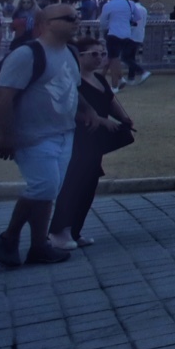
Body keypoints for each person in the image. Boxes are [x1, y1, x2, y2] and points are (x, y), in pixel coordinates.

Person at [0, 1, 82, 267]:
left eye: (77, 17)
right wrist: (6, 136)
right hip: (32, 135)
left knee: (47, 191)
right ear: (45, 25)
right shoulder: (26, 55)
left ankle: (38, 245)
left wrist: (88, 113)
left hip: (64, 132)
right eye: (68, 18)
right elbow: (4, 95)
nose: (75, 21)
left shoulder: (71, 52)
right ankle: (8, 238)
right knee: (43, 186)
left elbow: (72, 88)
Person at [50, 37, 134, 251]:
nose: (99, 58)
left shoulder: (99, 78)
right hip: (78, 138)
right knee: (73, 184)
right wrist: (98, 120)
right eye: (94, 54)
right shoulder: (71, 79)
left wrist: (124, 118)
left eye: (102, 54)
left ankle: (75, 230)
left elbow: (111, 101)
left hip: (96, 140)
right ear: (79, 56)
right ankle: (59, 230)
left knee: (88, 185)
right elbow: (65, 108)